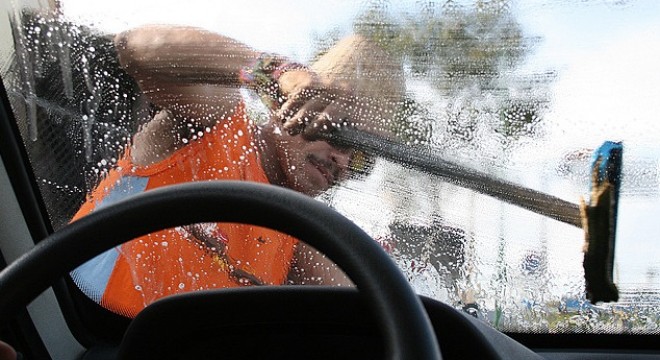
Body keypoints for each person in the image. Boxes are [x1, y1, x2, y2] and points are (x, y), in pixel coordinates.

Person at [70, 25, 405, 317]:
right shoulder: (219, 122)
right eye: (339, 133)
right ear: (296, 103)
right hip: (73, 330)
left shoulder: (301, 234)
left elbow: (362, 323)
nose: (343, 163)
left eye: (363, 158)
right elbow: (134, 47)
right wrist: (270, 71)